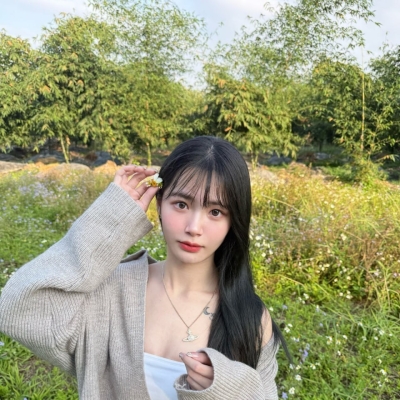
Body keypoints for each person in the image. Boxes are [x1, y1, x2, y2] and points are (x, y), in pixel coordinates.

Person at [0, 136, 288, 400]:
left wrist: (229, 389)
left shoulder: (250, 317)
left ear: (233, 219)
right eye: (181, 204)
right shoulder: (109, 291)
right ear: (159, 202)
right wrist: (112, 218)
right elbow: (17, 309)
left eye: (215, 211)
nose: (194, 227)